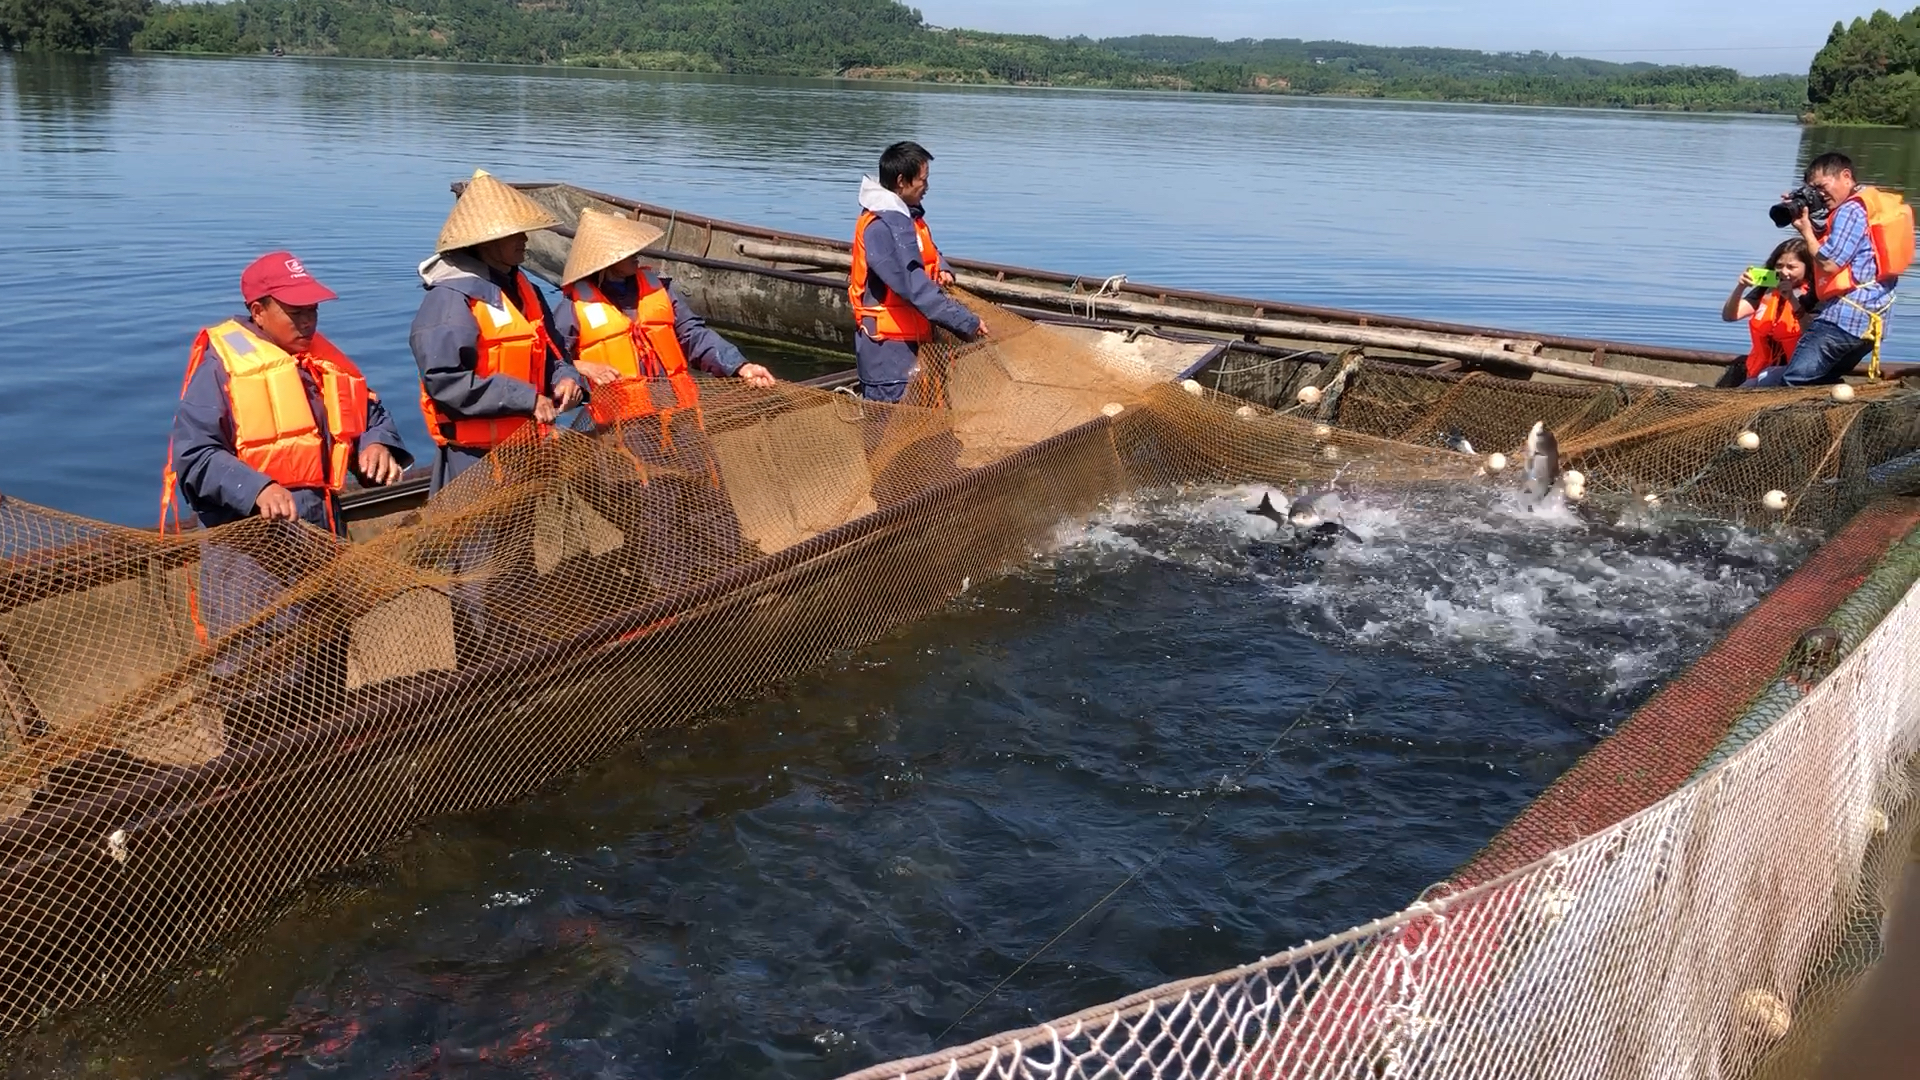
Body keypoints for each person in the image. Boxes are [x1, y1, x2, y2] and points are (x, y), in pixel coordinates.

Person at [164, 251, 412, 535]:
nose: (308, 321)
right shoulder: (219, 371)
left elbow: (370, 414)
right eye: (296, 313)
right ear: (258, 312)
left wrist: (377, 443)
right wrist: (257, 489)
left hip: (323, 529)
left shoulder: (322, 362)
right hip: (252, 548)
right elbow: (194, 456)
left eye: (313, 309)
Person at [410, 169, 583, 493]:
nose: (526, 240)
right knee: (480, 545)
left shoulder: (524, 289)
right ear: (487, 238)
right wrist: (527, 398)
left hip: (527, 451)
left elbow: (553, 353)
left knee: (520, 542)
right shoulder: (451, 300)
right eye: (516, 233)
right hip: (476, 463)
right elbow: (446, 384)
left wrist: (566, 379)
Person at [557, 207, 777, 422]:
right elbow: (553, 360)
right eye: (628, 250)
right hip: (620, 422)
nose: (638, 253)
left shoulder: (659, 289)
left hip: (678, 412)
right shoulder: (574, 305)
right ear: (607, 259)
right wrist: (582, 366)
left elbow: (693, 335)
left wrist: (740, 366)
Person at [849, 140, 987, 402]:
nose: (927, 187)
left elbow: (926, 252)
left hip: (916, 349)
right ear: (902, 181)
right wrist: (965, 322)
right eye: (923, 180)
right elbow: (914, 287)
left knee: (926, 429)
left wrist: (942, 268)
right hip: (889, 358)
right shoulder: (880, 226)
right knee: (891, 437)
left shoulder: (907, 218)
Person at [1760, 152, 1914, 386]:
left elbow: (1830, 263)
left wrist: (1806, 232)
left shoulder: (1850, 210)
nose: (1819, 195)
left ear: (1845, 176)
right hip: (1873, 325)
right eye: (1813, 190)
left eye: (1821, 187)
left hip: (1843, 320)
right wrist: (1805, 216)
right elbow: (1838, 247)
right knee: (1821, 381)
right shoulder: (1870, 202)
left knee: (1793, 381)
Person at [1718, 238, 1814, 387]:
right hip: (1758, 373)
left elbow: (1811, 332)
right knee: (1755, 382)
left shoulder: (1814, 295)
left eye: (1791, 267)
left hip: (1795, 374)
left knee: (1765, 379)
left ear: (1807, 267)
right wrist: (1740, 287)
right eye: (1779, 266)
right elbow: (1730, 316)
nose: (1784, 272)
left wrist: (1792, 300)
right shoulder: (1766, 290)